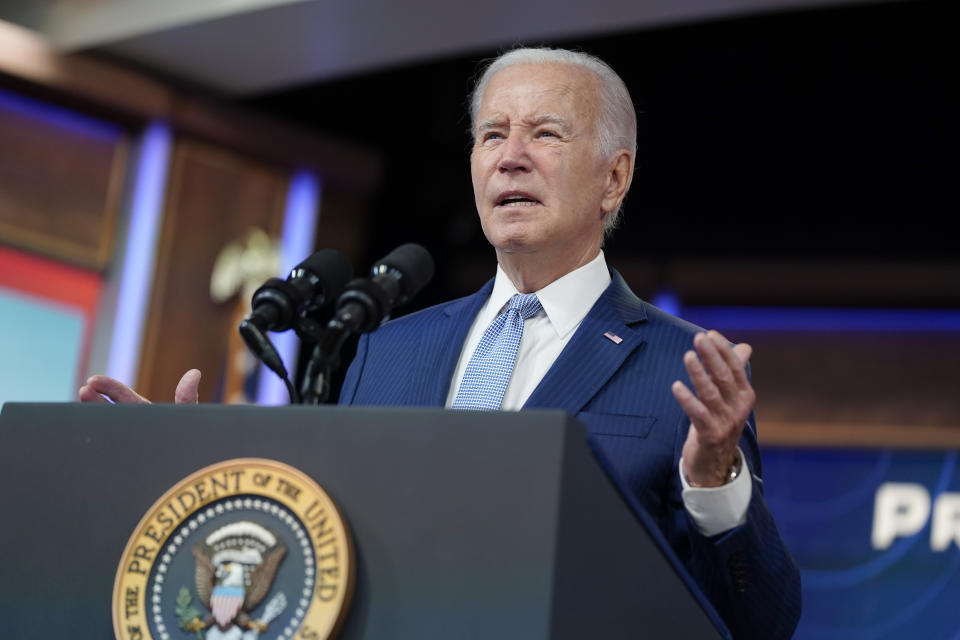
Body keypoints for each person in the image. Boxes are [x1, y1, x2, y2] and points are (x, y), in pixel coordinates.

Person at [82, 47, 800, 638]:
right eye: (492, 135)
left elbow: (759, 623)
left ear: (615, 177)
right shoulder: (384, 351)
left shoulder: (683, 373)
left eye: (545, 134)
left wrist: (714, 487)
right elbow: (322, 549)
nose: (510, 158)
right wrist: (198, 469)